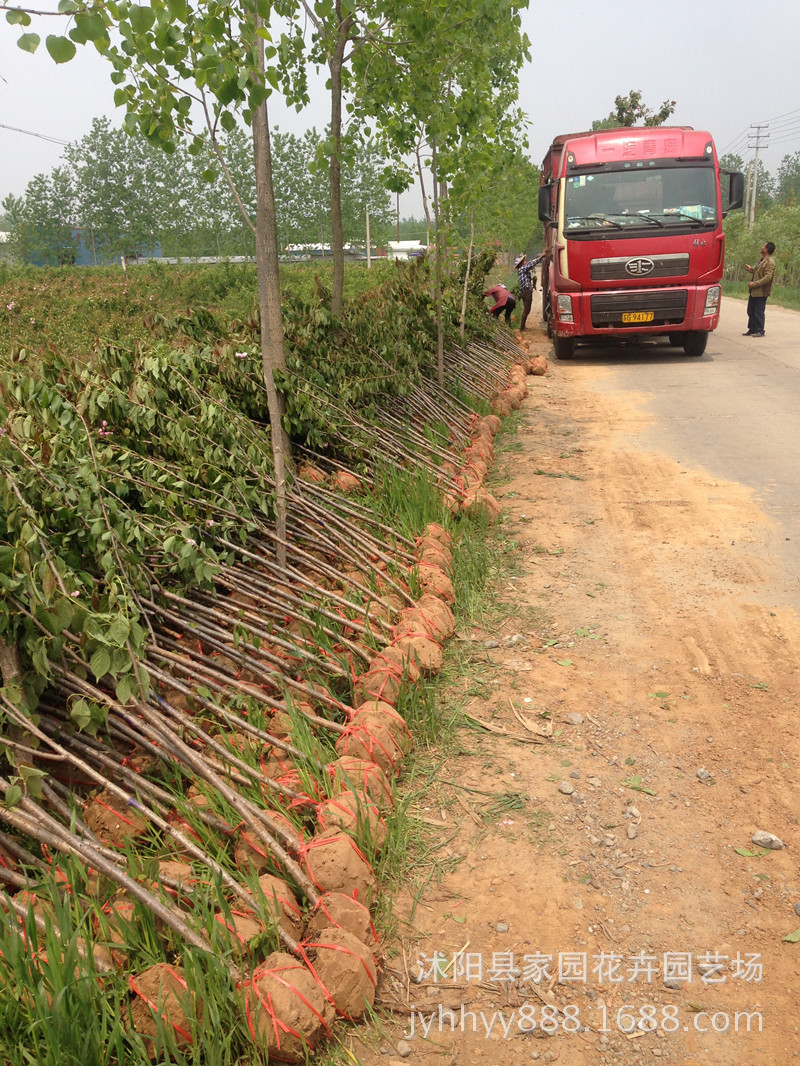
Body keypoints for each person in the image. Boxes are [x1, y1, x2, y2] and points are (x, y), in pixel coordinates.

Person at [743, 241, 776, 337]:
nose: (761, 247)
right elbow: (758, 272)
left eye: (763, 246)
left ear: (766, 249)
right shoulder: (762, 260)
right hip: (754, 290)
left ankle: (760, 330)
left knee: (758, 311)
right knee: (751, 310)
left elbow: (767, 277)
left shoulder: (770, 262)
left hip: (762, 291)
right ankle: (752, 329)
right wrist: (751, 269)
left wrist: (754, 284)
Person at [514, 253, 544, 330]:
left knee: (526, 309)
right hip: (527, 292)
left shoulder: (521, 271)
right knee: (527, 310)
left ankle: (522, 326)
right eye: (524, 261)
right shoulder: (523, 269)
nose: (525, 262)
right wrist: (540, 257)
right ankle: (522, 327)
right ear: (521, 263)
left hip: (525, 292)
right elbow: (531, 264)